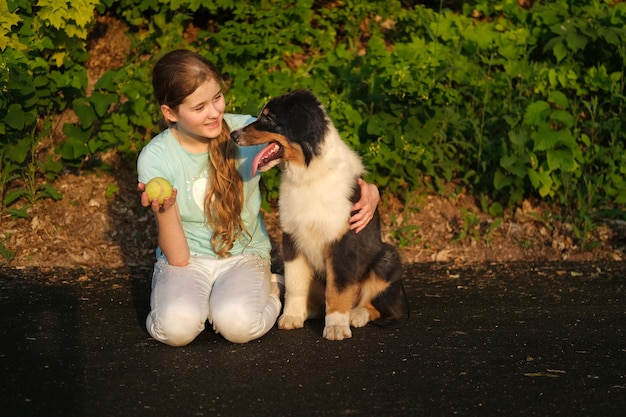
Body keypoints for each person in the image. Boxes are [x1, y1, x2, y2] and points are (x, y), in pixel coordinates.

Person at [137, 49, 380, 346]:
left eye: (217, 98)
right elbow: (178, 256)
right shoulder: (156, 158)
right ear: (170, 113)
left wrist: (370, 190)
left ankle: (264, 289)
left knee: (238, 327)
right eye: (199, 107)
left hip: (244, 256)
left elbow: (321, 154)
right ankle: (201, 300)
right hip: (185, 262)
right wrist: (165, 208)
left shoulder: (247, 132)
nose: (214, 112)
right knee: (175, 331)